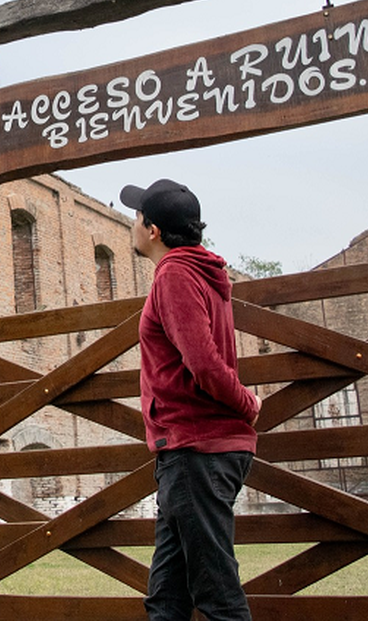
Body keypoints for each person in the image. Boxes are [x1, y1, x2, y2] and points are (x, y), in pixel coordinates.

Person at [122, 178, 260, 621]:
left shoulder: (176, 274)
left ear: (154, 230)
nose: (133, 223)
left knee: (217, 595)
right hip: (187, 452)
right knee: (167, 599)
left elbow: (203, 362)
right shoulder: (198, 271)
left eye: (138, 215)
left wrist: (246, 404)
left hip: (197, 450)